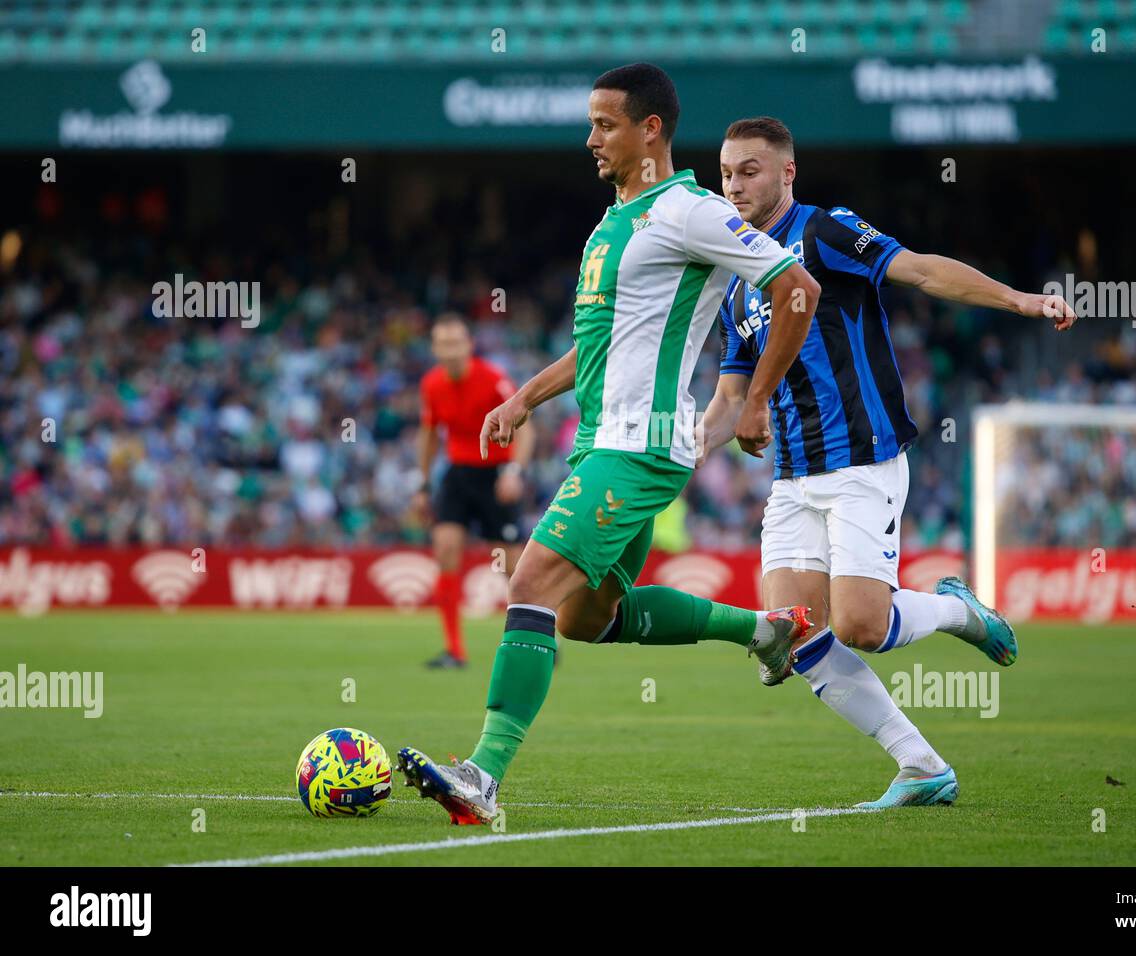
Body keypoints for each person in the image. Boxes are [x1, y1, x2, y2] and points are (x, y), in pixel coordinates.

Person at [396, 66, 823, 824]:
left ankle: (483, 777)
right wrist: (525, 396)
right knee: (585, 618)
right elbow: (601, 344)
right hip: (603, 442)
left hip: (641, 445)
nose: (590, 138)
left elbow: (798, 288)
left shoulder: (689, 211)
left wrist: (755, 399)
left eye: (604, 124)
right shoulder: (614, 220)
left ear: (649, 129)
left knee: (529, 585)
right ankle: (766, 633)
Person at [696, 116, 1076, 809]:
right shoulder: (737, 281)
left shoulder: (825, 232)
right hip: (792, 479)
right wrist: (682, 450)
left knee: (862, 626)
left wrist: (1019, 298)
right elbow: (729, 399)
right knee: (792, 638)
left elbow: (923, 270)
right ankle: (921, 766)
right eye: (726, 173)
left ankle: (958, 613)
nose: (735, 184)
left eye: (749, 170)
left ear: (787, 173)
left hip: (862, 460)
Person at [414, 312, 532, 668]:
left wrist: (513, 472)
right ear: (434, 348)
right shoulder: (432, 385)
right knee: (445, 549)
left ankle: (539, 637)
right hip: (458, 474)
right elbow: (429, 434)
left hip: (496, 475)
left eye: (456, 343)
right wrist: (422, 484)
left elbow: (525, 429)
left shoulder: (494, 380)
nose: (450, 351)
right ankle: (455, 650)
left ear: (469, 345)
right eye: (443, 344)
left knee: (515, 567)